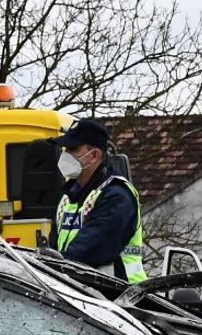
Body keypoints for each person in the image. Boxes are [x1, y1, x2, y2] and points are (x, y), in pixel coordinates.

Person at [48, 119, 146, 283]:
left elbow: (87, 253)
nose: (65, 155)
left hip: (121, 297)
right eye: (65, 149)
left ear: (93, 155)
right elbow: (55, 249)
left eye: (72, 149)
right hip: (83, 293)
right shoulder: (67, 197)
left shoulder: (116, 196)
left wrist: (52, 267)